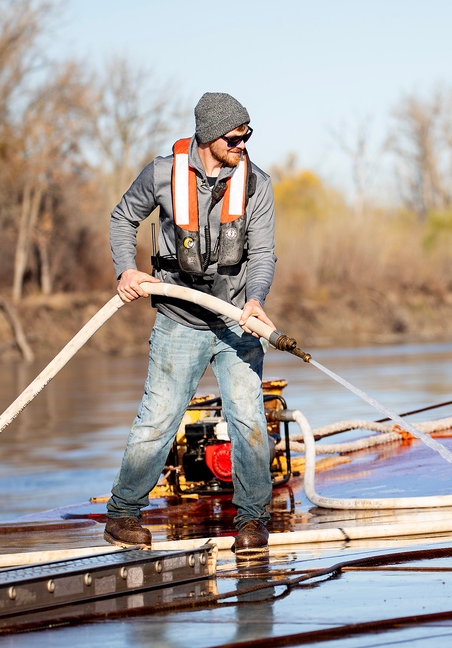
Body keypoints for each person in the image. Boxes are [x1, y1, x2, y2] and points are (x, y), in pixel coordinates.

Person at [105, 92, 277, 557]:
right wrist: (127, 268)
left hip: (237, 321)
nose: (243, 142)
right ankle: (122, 515)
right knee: (157, 420)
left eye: (248, 133)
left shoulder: (257, 184)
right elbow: (123, 219)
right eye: (234, 135)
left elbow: (262, 254)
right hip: (178, 320)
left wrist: (257, 299)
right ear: (208, 136)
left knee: (248, 420)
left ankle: (253, 520)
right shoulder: (162, 173)